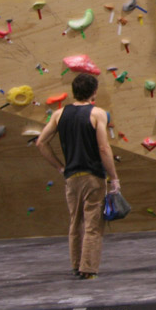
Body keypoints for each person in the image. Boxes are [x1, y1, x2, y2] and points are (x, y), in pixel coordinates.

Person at [35, 73, 120, 279]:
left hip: (71, 177)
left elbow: (40, 143)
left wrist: (59, 167)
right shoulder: (98, 113)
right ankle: (88, 269)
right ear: (94, 92)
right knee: (92, 225)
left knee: (75, 222)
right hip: (93, 176)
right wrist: (114, 177)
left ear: (74, 91)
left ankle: (76, 265)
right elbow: (103, 147)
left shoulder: (59, 114)